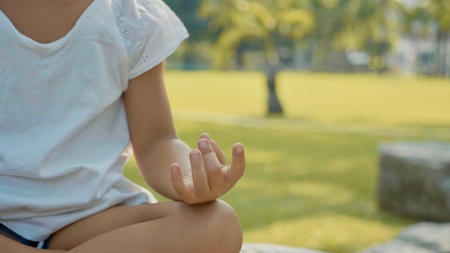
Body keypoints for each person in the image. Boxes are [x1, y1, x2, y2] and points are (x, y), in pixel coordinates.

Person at [0, 0, 245, 252]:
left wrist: (187, 177)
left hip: (89, 219)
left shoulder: (132, 15)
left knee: (216, 226)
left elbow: (156, 141)